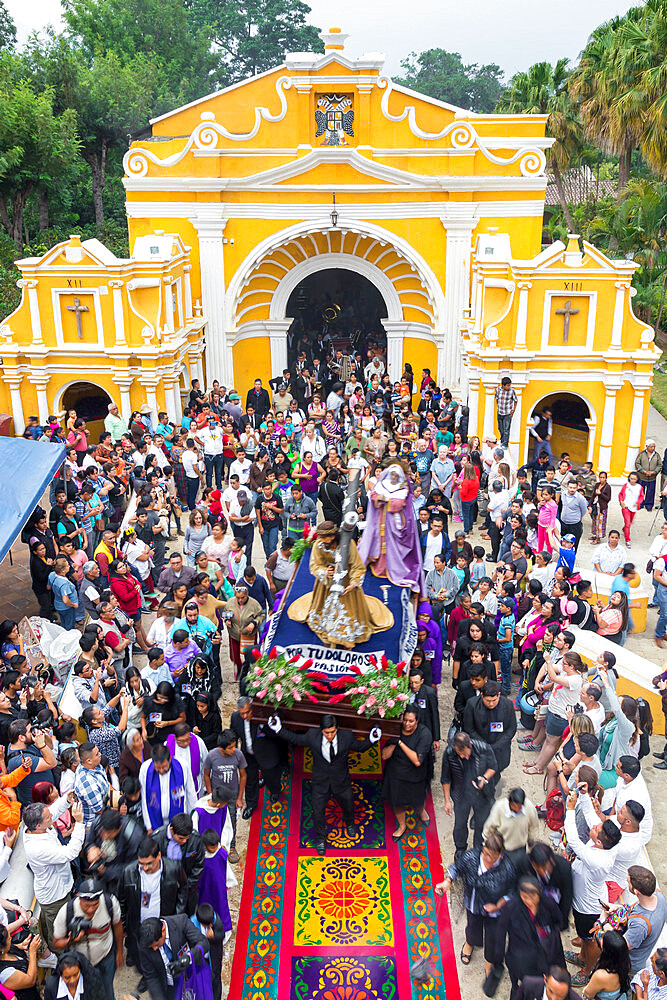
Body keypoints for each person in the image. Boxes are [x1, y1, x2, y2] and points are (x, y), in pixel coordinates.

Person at [268, 713, 381, 855]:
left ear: (337, 729)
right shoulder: (312, 736)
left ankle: (350, 823)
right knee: (318, 812)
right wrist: (278, 729)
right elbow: (296, 739)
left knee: (348, 805)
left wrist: (372, 739)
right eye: (327, 733)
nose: (330, 735)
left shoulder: (346, 736)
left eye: (333, 732)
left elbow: (359, 747)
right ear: (321, 731)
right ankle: (321, 839)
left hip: (341, 781)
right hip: (320, 782)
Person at [436, 832, 515, 983]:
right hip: (473, 902)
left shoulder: (507, 868)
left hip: (494, 910)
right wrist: (448, 880)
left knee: (493, 936)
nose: (486, 859)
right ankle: (470, 943)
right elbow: (456, 868)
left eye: (491, 856)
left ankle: (489, 961)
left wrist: (498, 905)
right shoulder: (472, 856)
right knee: (472, 926)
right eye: (485, 854)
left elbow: (512, 891)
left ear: (501, 854)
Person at [563, 791, 622, 975]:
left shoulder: (597, 858)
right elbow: (592, 818)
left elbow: (573, 839)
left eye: (597, 829)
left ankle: (588, 970)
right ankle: (582, 958)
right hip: (584, 900)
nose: (595, 825)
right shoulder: (606, 843)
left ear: (597, 841)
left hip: (587, 908)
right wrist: (583, 796)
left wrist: (570, 809)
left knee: (590, 940)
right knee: (584, 937)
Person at [22, 796, 86, 950]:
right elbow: (70, 853)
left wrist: (66, 799)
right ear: (38, 825)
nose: (51, 816)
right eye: (48, 817)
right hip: (55, 896)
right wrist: (79, 823)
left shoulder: (35, 827)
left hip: (61, 887)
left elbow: (52, 811)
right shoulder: (38, 848)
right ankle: (60, 958)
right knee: (57, 931)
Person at [118, 836, 187, 970]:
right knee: (140, 951)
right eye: (141, 864)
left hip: (161, 921)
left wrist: (177, 915)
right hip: (137, 923)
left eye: (149, 863)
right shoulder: (129, 872)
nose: (144, 868)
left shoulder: (174, 868)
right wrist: (125, 925)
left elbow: (184, 889)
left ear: (159, 856)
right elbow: (122, 900)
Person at [493, 875, 566, 999]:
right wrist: (498, 960)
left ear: (539, 893)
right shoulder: (511, 907)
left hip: (545, 955)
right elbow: (500, 934)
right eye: (525, 897)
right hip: (520, 957)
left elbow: (559, 922)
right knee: (519, 987)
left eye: (533, 896)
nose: (529, 901)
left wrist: (547, 934)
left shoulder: (548, 904)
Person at [52, 879, 123, 1000]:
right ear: (79, 898)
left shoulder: (109, 903)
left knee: (107, 992)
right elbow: (56, 942)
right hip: (80, 965)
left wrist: (119, 951)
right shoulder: (67, 912)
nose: (90, 910)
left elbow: (117, 926)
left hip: (106, 957)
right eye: (86, 906)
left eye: (95, 905)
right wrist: (72, 940)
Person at [440, 731, 497, 860]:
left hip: (482, 795)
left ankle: (478, 850)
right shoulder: (450, 753)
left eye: (465, 754)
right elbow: (445, 778)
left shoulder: (483, 748)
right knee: (460, 824)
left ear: (470, 745)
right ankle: (460, 849)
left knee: (481, 824)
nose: (463, 757)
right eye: (459, 754)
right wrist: (447, 801)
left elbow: (493, 767)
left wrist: (483, 778)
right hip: (461, 794)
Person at [381, 706, 432, 839]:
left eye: (411, 721)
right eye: (405, 720)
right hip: (396, 773)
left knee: (418, 799)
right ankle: (402, 825)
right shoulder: (395, 729)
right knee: (397, 802)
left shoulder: (424, 734)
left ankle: (421, 812)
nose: (407, 724)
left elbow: (417, 761)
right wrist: (393, 741)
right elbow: (384, 756)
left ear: (417, 721)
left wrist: (400, 742)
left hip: (415, 774)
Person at [230, 696, 283, 816]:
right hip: (248, 755)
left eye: (247, 712)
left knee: (271, 776)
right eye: (241, 713)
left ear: (252, 708)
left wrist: (263, 725)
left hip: (265, 753)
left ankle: (275, 791)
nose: (244, 716)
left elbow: (275, 735)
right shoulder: (235, 718)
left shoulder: (262, 716)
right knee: (250, 780)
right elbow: (233, 735)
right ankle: (251, 804)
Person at [138, 914, 209, 1000]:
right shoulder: (144, 945)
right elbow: (151, 976)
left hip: (192, 977)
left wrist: (188, 958)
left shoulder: (181, 922)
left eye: (156, 945)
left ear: (163, 930)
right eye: (152, 947)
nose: (154, 949)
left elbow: (203, 943)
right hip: (170, 988)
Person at [151, 813, 205, 916]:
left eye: (187, 838)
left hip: (188, 890)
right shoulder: (156, 839)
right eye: (181, 838)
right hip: (164, 891)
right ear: (171, 830)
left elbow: (198, 866)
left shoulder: (196, 840)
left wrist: (186, 887)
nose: (184, 841)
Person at [463, 680, 517, 780]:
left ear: (499, 695)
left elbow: (511, 729)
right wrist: (484, 746)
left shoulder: (508, 705)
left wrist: (497, 745)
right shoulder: (472, 704)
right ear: (482, 695)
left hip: (500, 747)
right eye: (488, 701)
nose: (491, 704)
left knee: (497, 770)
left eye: (494, 700)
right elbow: (469, 728)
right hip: (479, 746)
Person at [139, 744, 197, 835]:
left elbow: (191, 794)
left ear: (169, 759)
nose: (161, 771)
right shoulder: (145, 769)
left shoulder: (182, 766)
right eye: (158, 768)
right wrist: (148, 826)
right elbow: (145, 798)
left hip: (179, 819)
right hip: (155, 820)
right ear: (153, 762)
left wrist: (193, 821)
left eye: (164, 767)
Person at [514, 843, 574, 926]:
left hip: (552, 908)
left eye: (545, 867)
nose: (542, 872)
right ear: (532, 863)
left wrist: (562, 920)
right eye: (538, 868)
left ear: (551, 861)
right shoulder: (523, 864)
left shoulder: (564, 867)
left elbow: (567, 895)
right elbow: (518, 886)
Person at [482, 788, 541, 865]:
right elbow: (488, 829)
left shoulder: (529, 808)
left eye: (519, 806)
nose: (516, 809)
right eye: (514, 805)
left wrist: (531, 840)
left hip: (520, 849)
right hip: (502, 849)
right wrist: (487, 846)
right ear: (509, 802)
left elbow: (533, 827)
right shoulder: (499, 807)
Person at [580, 930, 632, 998]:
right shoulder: (625, 963)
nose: (600, 938)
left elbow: (588, 995)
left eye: (602, 938)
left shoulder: (601, 975)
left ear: (606, 951)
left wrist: (584, 991)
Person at [515, 967, 581, 1000]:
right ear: (545, 980)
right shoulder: (528, 984)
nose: (553, 998)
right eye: (551, 991)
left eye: (560, 996)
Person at [495, 377, 518, 449]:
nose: (509, 387)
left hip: (507, 413)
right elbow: (496, 399)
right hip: (500, 412)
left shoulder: (512, 391)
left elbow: (516, 400)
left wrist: (513, 411)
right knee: (500, 428)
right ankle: (502, 441)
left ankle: (505, 444)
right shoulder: (498, 390)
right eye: (508, 385)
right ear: (503, 385)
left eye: (510, 385)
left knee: (506, 429)